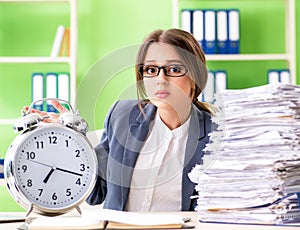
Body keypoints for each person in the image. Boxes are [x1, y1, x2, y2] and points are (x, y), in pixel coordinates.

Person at [26, 28, 214, 211]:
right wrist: (69, 139)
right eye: (150, 69)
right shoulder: (122, 116)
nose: (161, 78)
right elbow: (94, 192)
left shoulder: (218, 135)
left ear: (196, 75)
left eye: (174, 69)